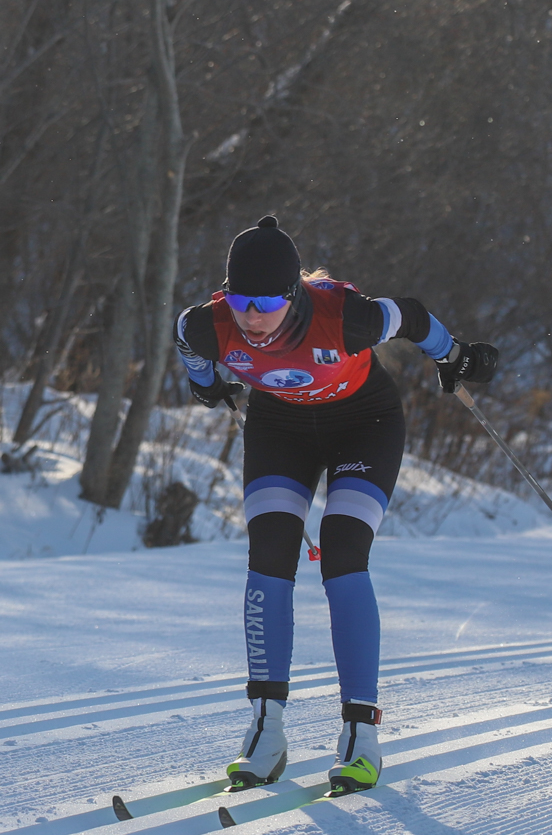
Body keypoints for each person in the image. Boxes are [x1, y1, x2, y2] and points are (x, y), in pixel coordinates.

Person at [174, 215, 499, 795]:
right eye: (241, 299)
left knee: (343, 554)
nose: (251, 315)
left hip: (364, 424)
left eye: (266, 300)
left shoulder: (345, 318)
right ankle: (266, 730)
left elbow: (415, 316)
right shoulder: (210, 324)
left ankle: (360, 735)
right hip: (280, 428)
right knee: (269, 552)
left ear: (293, 292)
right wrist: (205, 383)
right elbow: (185, 339)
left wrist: (455, 356)